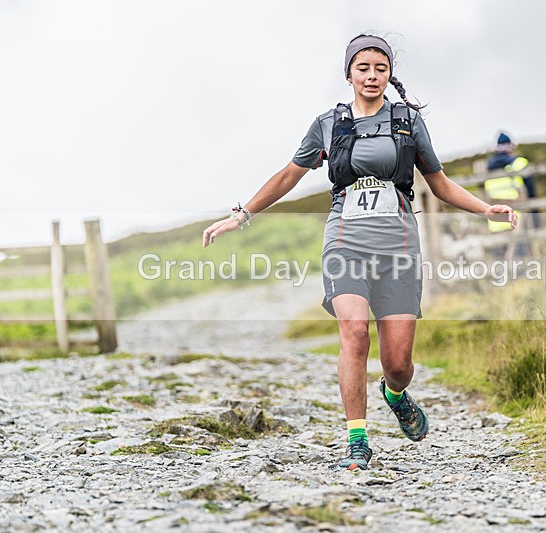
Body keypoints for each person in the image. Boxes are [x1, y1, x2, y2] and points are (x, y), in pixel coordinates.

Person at [202, 34, 517, 471]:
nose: (372, 76)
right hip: (345, 238)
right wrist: (242, 214)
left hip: (398, 243)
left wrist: (487, 208)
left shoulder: (407, 120)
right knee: (354, 332)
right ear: (348, 73)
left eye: (381, 69)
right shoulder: (328, 124)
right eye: (363, 68)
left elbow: (439, 183)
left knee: (398, 363)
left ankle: (394, 393)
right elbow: (287, 176)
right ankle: (357, 438)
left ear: (390, 74)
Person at [485, 132, 539, 231]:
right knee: (521, 245)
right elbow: (531, 191)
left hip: (495, 222)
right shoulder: (519, 162)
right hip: (517, 218)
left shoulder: (487, 168)